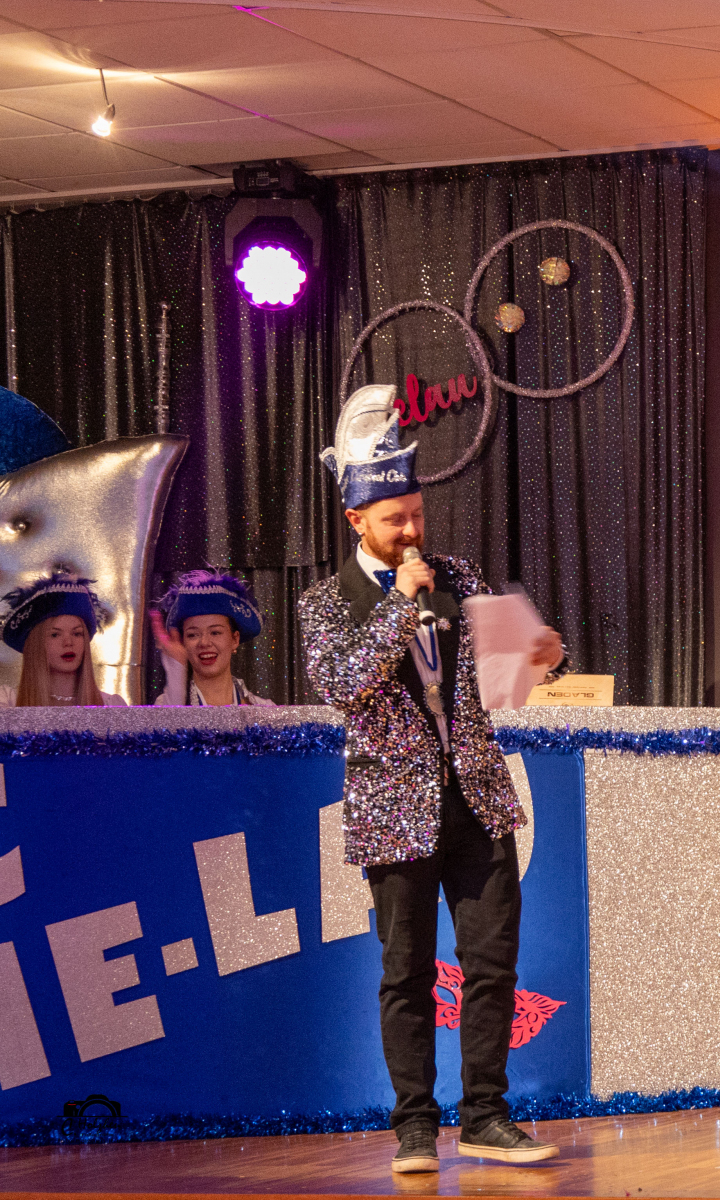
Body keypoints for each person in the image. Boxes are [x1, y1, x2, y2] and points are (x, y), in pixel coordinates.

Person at [298, 385, 567, 1174]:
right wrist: (399, 608)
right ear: (356, 520)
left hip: (475, 797)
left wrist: (543, 657)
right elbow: (343, 683)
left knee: (492, 964)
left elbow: (501, 672)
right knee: (406, 972)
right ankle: (415, 1127)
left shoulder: (457, 573)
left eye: (417, 514)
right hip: (393, 810)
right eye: (395, 520)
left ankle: (486, 1116)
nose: (413, 532)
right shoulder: (326, 603)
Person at [152, 568, 276, 706]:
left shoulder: (264, 710)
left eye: (215, 632)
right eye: (193, 635)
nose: (204, 643)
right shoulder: (166, 704)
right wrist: (176, 669)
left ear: (235, 639)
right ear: (183, 643)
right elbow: (172, 719)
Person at [0, 572, 126, 707]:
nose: (68, 643)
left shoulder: (112, 706)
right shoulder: (8, 702)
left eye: (77, 633)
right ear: (35, 644)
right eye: (55, 635)